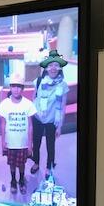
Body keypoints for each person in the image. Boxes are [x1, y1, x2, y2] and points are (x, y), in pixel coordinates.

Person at [30, 50, 69, 179]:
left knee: (50, 145)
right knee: (36, 142)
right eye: (50, 65)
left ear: (59, 68)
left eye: (56, 65)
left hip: (52, 120)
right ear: (46, 68)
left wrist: (60, 126)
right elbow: (34, 98)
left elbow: (62, 107)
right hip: (38, 118)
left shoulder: (63, 85)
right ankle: (36, 162)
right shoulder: (39, 81)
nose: (53, 68)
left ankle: (48, 166)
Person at [0, 73, 37, 195]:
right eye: (13, 86)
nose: (16, 89)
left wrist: (30, 144)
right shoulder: (4, 104)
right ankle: (13, 180)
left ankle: (21, 180)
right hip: (10, 142)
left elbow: (30, 126)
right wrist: (3, 142)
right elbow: (2, 124)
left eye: (19, 86)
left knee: (22, 163)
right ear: (10, 87)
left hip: (23, 142)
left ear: (23, 88)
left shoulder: (28, 104)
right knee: (12, 163)